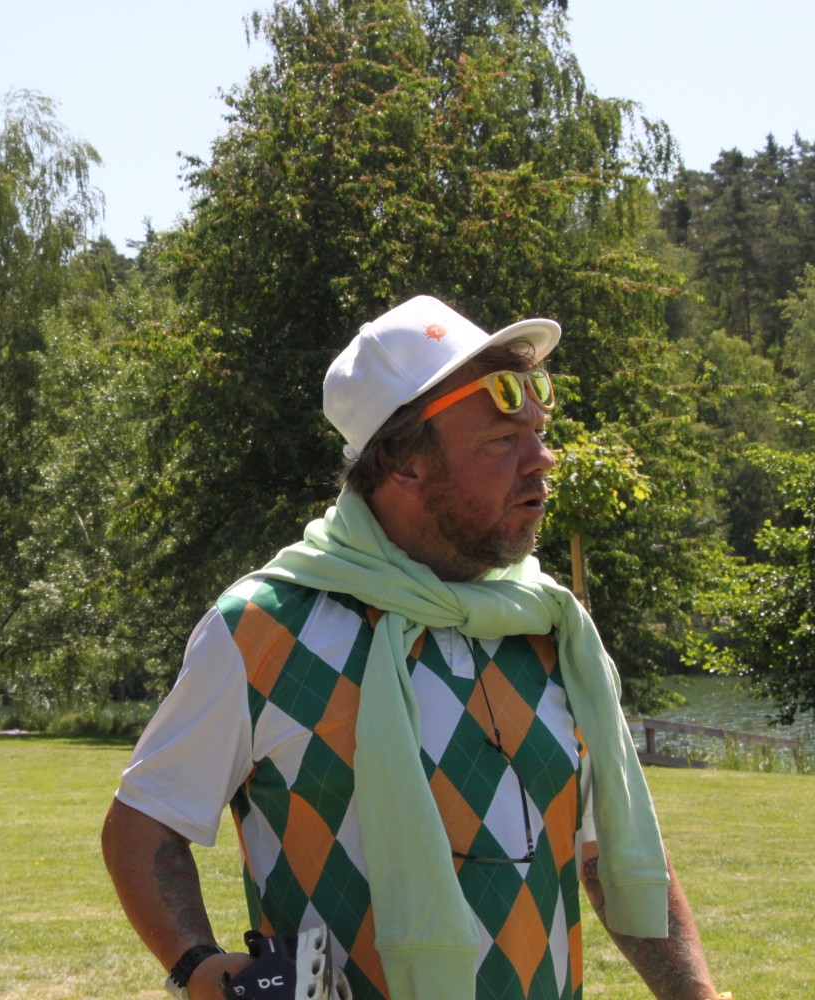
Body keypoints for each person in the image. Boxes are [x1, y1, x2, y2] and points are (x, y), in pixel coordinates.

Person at [102, 295, 724, 1000]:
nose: (543, 459)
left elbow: (607, 853)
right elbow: (144, 824)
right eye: (501, 440)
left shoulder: (550, 627)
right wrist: (194, 964)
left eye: (538, 431)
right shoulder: (264, 629)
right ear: (404, 464)